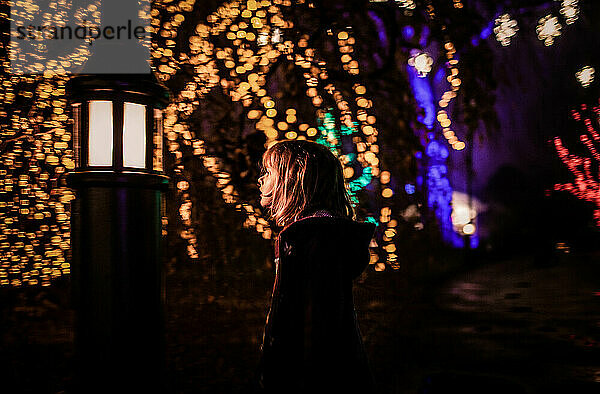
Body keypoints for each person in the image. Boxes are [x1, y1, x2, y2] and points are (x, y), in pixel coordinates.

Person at [254, 140, 377, 394]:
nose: (260, 180)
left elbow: (314, 322)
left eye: (268, 173)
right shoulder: (317, 235)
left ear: (293, 179)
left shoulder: (312, 238)